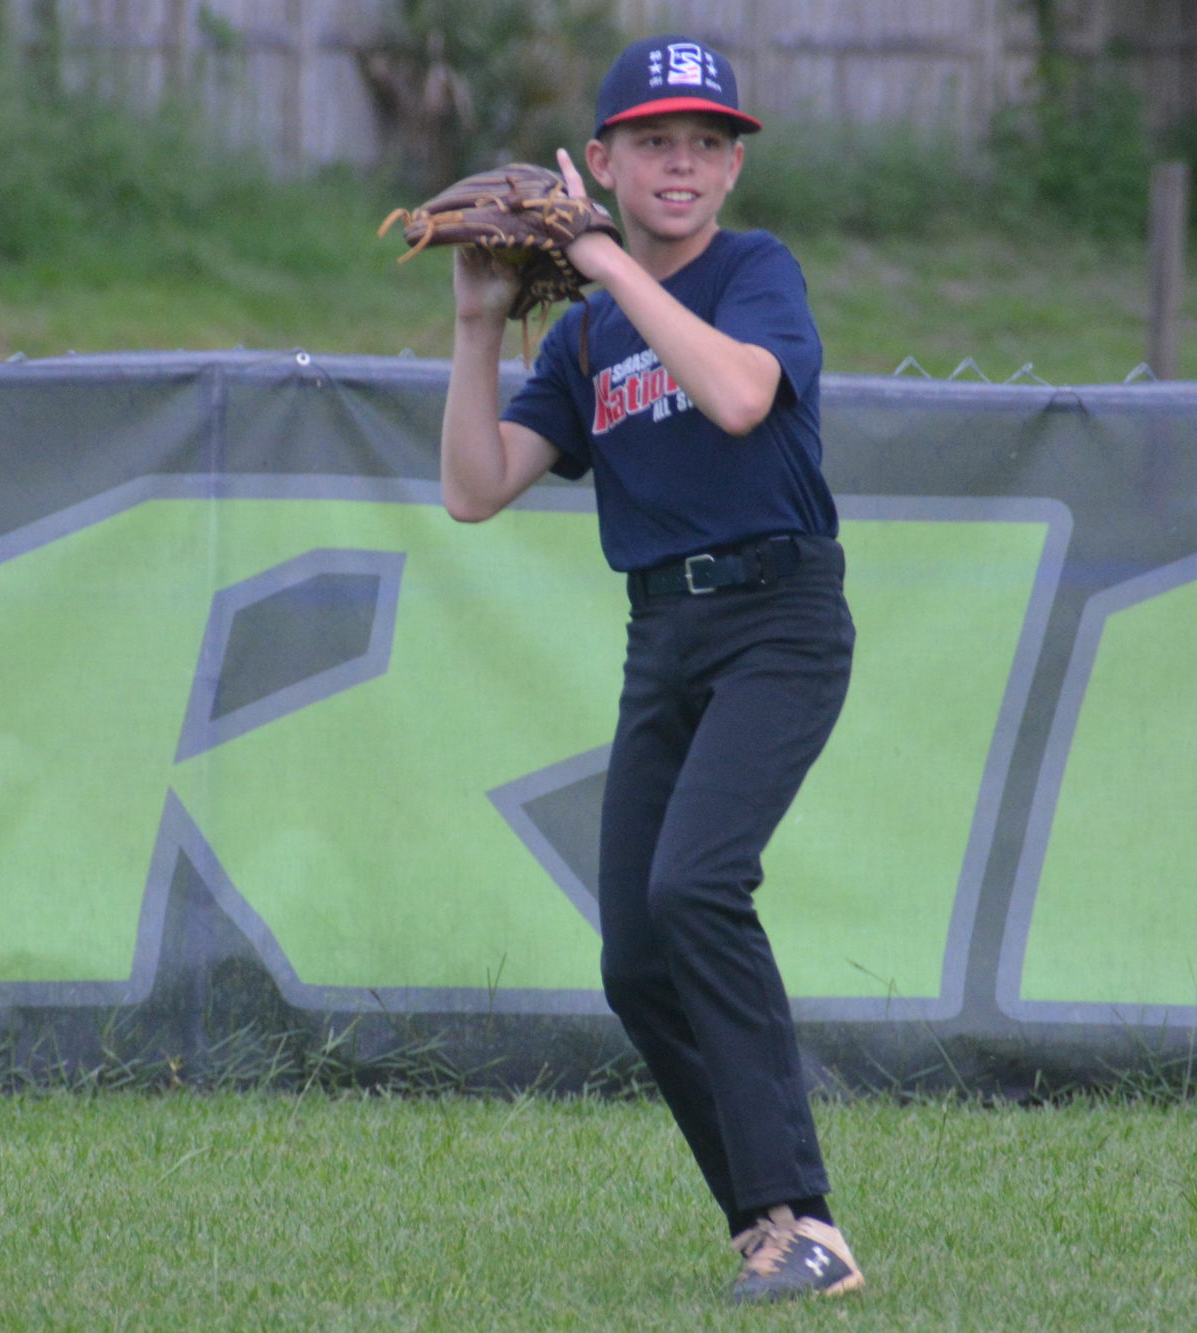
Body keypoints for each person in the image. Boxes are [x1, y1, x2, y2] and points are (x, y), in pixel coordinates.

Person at [436, 35, 865, 1306]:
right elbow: (473, 490)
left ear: (731, 169)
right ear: (605, 159)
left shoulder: (752, 272)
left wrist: (600, 260)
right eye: (654, 140)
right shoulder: (581, 343)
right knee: (634, 954)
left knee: (696, 886)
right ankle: (765, 1223)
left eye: (707, 141)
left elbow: (738, 396)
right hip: (663, 639)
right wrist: (474, 326)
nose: (682, 161)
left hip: (779, 617)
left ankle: (813, 1227)